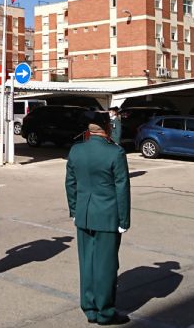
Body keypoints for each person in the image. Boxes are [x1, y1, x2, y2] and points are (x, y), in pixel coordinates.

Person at [65, 111, 131, 326]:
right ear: (106, 127)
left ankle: (90, 307)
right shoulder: (115, 153)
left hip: (84, 214)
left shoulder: (76, 150)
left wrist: (74, 210)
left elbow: (70, 184)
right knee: (106, 265)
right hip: (107, 215)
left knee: (87, 263)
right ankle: (105, 312)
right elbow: (122, 188)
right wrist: (124, 220)